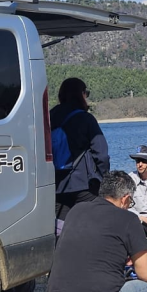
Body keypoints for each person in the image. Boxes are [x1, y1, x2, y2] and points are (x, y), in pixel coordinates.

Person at [49, 78, 110, 225]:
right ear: (81, 94)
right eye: (86, 93)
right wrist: (102, 179)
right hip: (83, 184)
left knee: (61, 230)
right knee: (91, 225)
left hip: (56, 185)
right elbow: (101, 154)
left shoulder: (50, 116)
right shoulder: (85, 118)